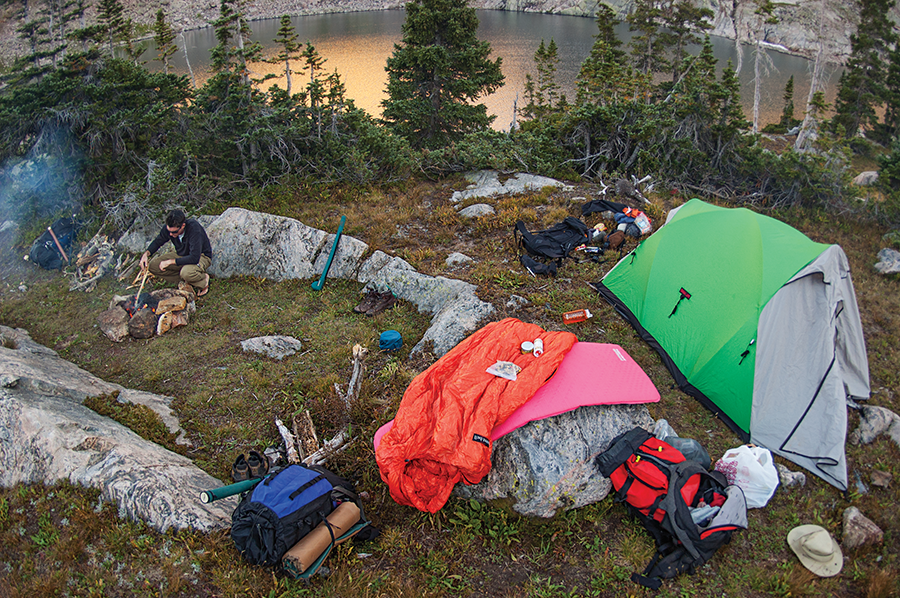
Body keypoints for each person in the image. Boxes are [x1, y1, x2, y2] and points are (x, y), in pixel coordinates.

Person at [139, 209, 213, 296]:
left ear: (183, 225)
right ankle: (187, 281)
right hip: (182, 254)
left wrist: (170, 262)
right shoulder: (170, 229)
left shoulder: (194, 229)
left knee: (186, 273)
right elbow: (158, 241)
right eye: (169, 231)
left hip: (201, 256)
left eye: (174, 232)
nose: (170, 234)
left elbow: (194, 258)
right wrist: (146, 254)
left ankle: (203, 280)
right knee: (153, 266)